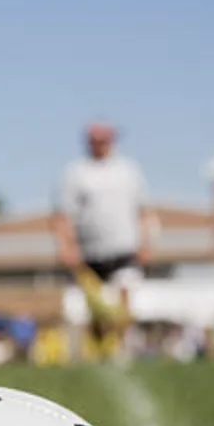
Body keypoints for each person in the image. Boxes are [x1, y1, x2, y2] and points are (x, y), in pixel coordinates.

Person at [54, 121, 152, 356]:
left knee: (124, 299)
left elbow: (143, 210)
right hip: (90, 252)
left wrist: (146, 242)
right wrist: (67, 246)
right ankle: (99, 348)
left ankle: (121, 348)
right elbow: (63, 214)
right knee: (95, 309)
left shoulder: (128, 171)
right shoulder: (76, 173)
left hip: (124, 247)